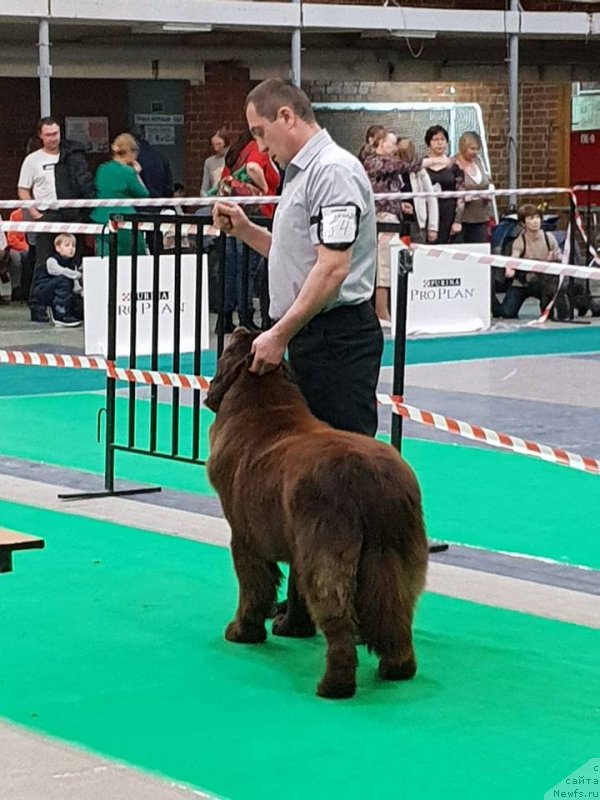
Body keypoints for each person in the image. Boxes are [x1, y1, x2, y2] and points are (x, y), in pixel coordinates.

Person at [212, 79, 383, 636]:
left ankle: (361, 611)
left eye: (262, 132)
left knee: (344, 481)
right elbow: (299, 256)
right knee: (311, 485)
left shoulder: (332, 172)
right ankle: (309, 608)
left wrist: (279, 333)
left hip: (334, 340)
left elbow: (332, 270)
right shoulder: (300, 175)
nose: (261, 146)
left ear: (288, 115)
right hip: (311, 335)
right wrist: (246, 231)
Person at [18, 117, 94, 321]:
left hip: (71, 212)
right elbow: (23, 189)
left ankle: (70, 305)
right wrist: (35, 214)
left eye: (56, 134)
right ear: (40, 136)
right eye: (49, 134)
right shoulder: (32, 160)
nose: (53, 138)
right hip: (47, 215)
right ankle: (38, 307)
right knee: (42, 263)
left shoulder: (71, 156)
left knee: (73, 260)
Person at [217, 129, 280, 332]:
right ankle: (247, 315)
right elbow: (253, 167)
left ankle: (225, 317)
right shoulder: (257, 148)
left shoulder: (237, 152)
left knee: (231, 267)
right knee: (249, 270)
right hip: (255, 214)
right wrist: (262, 190)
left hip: (231, 210)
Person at [363, 128, 407, 326]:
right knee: (384, 263)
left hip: (393, 216)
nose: (395, 146)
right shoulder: (374, 162)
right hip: (382, 218)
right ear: (381, 143)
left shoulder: (388, 164)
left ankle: (385, 310)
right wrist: (431, 162)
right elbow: (407, 165)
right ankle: (381, 311)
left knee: (388, 262)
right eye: (392, 142)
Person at [499, 204, 565, 320]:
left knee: (557, 312)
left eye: (537, 217)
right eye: (531, 219)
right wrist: (509, 270)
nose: (535, 221)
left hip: (544, 283)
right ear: (523, 223)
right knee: (507, 313)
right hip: (523, 283)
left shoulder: (549, 237)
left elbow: (561, 257)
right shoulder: (519, 241)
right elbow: (512, 259)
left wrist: (555, 257)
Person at [92, 133, 151, 256]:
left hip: (101, 219)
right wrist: (137, 173)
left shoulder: (102, 168)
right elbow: (143, 195)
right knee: (134, 259)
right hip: (125, 220)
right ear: (132, 152)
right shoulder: (128, 172)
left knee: (105, 258)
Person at [29, 233, 82, 327]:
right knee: (63, 280)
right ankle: (60, 313)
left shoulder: (72, 265)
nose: (71, 248)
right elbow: (57, 271)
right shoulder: (52, 260)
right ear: (58, 248)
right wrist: (76, 275)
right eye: (67, 245)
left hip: (56, 291)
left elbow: (76, 287)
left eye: (73, 246)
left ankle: (69, 311)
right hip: (42, 291)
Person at [423, 124, 464, 244]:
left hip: (449, 212)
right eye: (435, 139)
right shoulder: (422, 166)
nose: (439, 143)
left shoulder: (455, 166)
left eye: (442, 139)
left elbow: (461, 194)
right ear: (428, 143)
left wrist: (458, 221)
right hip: (426, 212)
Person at [396, 138, 439, 244]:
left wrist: (433, 227)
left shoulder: (420, 172)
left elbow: (431, 199)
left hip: (416, 223)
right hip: (397, 222)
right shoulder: (392, 172)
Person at [453, 131, 491, 243]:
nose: (475, 152)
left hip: (480, 217)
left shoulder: (479, 162)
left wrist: (488, 194)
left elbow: (487, 182)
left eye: (477, 149)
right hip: (461, 220)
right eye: (472, 149)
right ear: (463, 147)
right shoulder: (454, 163)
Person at [201, 130, 230, 195]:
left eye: (219, 144)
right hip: (214, 199)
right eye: (213, 145)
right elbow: (205, 187)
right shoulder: (209, 162)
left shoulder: (235, 158)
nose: (216, 148)